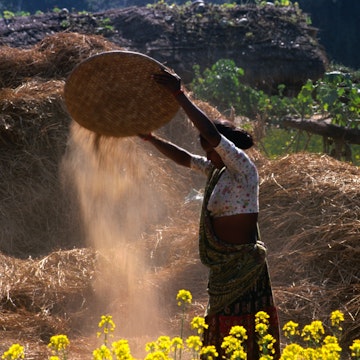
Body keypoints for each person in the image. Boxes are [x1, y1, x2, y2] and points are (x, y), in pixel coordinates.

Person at [140, 68, 280, 359]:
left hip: (244, 265)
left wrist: (180, 95)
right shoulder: (217, 171)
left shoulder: (242, 168)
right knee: (222, 328)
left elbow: (211, 134)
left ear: (227, 149)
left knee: (250, 328)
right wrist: (151, 140)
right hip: (223, 269)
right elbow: (185, 158)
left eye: (212, 151)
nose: (209, 156)